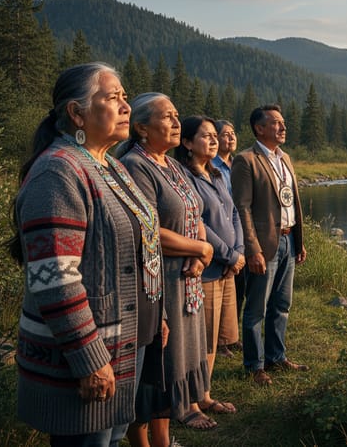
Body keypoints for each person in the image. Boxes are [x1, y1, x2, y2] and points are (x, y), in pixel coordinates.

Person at [9, 63, 165, 446]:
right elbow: (56, 281)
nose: (126, 106)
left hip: (125, 342)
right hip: (85, 358)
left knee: (111, 440)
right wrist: (89, 359)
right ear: (77, 113)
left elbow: (141, 243)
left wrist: (153, 310)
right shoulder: (58, 173)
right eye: (113, 98)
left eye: (126, 97)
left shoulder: (110, 165)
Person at [119, 93, 215, 444]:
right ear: (142, 127)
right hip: (158, 285)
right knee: (155, 370)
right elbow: (149, 229)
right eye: (168, 117)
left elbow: (195, 210)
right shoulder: (135, 165)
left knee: (175, 365)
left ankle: (165, 439)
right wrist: (201, 248)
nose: (177, 122)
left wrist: (202, 252)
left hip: (186, 281)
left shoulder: (171, 164)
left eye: (177, 116)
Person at [232, 104, 308, 386]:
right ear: (259, 128)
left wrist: (299, 241)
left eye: (283, 122)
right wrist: (252, 249)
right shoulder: (246, 160)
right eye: (275, 123)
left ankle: (277, 357)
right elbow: (243, 207)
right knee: (256, 308)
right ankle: (254, 365)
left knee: (282, 303)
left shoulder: (285, 158)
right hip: (264, 245)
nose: (282, 127)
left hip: (288, 239)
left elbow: (293, 202)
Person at [176, 116, 244, 414]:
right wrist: (229, 255)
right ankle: (190, 401)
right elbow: (198, 222)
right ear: (188, 143)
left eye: (216, 135)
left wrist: (239, 251)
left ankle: (205, 393)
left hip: (227, 267)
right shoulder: (184, 176)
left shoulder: (216, 173)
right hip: (206, 268)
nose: (214, 140)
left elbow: (235, 215)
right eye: (206, 136)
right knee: (199, 337)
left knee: (215, 337)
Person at [212, 119, 243, 357]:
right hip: (220, 231)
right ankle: (220, 342)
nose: (230, 138)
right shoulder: (211, 166)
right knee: (221, 286)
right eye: (225, 134)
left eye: (233, 134)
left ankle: (231, 335)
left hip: (238, 229)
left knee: (237, 289)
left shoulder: (235, 164)